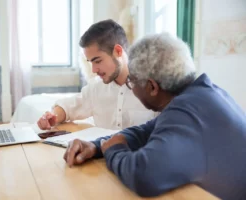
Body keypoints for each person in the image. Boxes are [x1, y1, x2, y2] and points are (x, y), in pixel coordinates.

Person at [63, 33, 246, 200]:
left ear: (152, 87)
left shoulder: (185, 113)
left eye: (131, 82)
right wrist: (97, 146)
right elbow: (145, 131)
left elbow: (144, 175)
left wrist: (114, 151)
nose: (131, 87)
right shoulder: (202, 95)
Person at [37, 19, 157, 130]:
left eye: (98, 61)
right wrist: (53, 116)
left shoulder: (152, 89)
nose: (94, 70)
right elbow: (67, 107)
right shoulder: (96, 88)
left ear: (118, 51)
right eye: (91, 62)